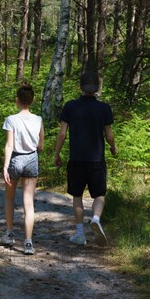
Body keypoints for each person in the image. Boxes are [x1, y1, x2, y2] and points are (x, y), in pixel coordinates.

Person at [54, 70, 117, 246]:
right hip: (97, 160)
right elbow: (109, 134)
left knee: (77, 196)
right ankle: (96, 218)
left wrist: (57, 154)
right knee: (99, 194)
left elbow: (62, 134)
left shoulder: (70, 106)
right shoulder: (104, 108)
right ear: (97, 88)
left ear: (80, 87)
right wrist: (113, 148)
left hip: (76, 159)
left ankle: (80, 233)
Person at [1, 81, 45, 255]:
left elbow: (9, 145)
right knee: (29, 202)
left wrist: (5, 167)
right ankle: (28, 243)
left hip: (16, 159)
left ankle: (10, 234)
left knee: (9, 199)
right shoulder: (38, 120)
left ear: (17, 100)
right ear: (32, 101)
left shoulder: (11, 120)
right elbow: (40, 146)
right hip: (32, 159)